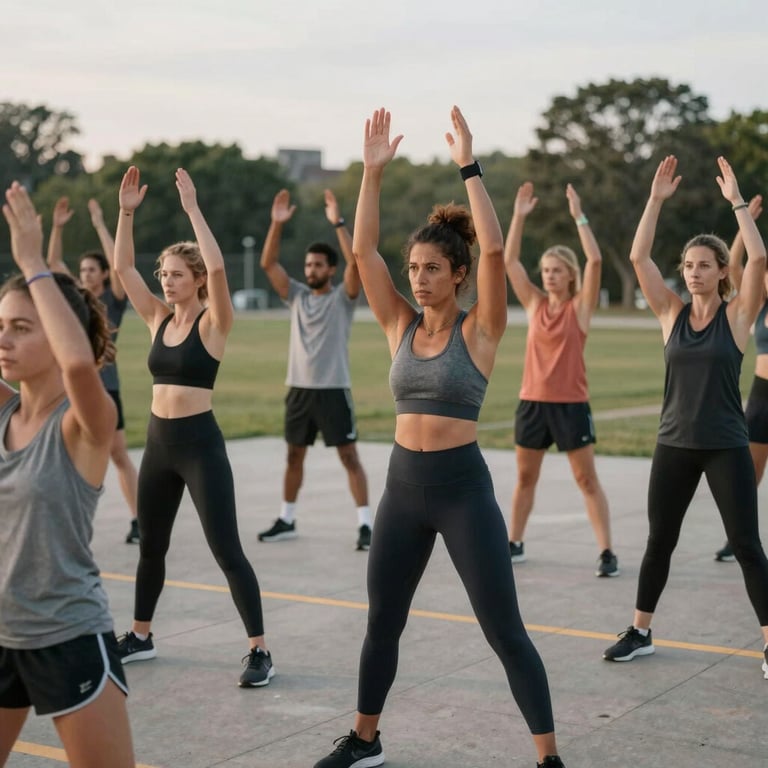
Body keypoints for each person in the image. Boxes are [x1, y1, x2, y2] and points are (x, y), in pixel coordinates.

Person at [312, 107, 565, 768]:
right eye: (414, 268)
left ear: (457, 275)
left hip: (460, 491)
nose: (419, 278)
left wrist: (468, 167)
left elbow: (493, 251)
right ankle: (365, 739)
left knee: (504, 631)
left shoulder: (480, 330)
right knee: (381, 623)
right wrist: (371, 174)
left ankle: (548, 758)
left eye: (431, 268)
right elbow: (363, 253)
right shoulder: (399, 324)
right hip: (402, 487)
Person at [603, 156, 768, 676]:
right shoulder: (670, 313)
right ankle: (641, 631)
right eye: (689, 265)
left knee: (746, 546)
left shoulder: (737, 317)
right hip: (673, 443)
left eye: (704, 265)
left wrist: (736, 203)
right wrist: (655, 200)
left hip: (725, 445)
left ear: (722, 272)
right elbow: (638, 256)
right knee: (659, 542)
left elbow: (759, 259)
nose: (694, 272)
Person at [112, 166, 274, 687]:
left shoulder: (214, 322)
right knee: (151, 546)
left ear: (197, 279)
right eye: (164, 274)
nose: (166, 281)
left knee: (226, 549)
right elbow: (122, 268)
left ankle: (259, 651)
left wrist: (193, 210)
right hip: (159, 445)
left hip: (200, 446)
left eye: (177, 274)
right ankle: (141, 636)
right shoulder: (157, 319)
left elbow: (221, 268)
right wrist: (126, 214)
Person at [0, 182, 135, 767]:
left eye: (21, 327)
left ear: (56, 335)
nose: (4, 339)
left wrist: (33, 261)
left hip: (67, 636)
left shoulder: (84, 426)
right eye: (2, 325)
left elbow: (79, 363)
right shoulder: (5, 412)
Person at [504, 182, 618, 576]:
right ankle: (514, 542)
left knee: (586, 479)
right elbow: (510, 261)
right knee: (525, 477)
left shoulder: (580, 308)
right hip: (532, 403)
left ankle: (607, 552)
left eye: (557, 271)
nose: (550, 276)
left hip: (570, 405)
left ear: (570, 275)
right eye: (546, 270)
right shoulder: (535, 304)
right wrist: (518, 217)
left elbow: (596, 260)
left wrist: (579, 216)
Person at [257, 187, 372, 550]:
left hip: (333, 390)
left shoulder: (342, 299)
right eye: (308, 265)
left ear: (331, 269)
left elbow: (358, 263)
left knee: (349, 457)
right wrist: (277, 224)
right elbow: (268, 265)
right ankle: (287, 518)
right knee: (294, 455)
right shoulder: (297, 296)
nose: (311, 270)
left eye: (318, 265)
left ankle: (366, 525)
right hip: (299, 390)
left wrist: (338, 222)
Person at [46, 195, 141, 545]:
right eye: (82, 270)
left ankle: (140, 522)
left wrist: (101, 223)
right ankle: (66, 523)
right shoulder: (75, 298)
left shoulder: (113, 300)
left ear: (102, 274)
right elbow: (53, 262)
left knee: (117, 454)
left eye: (90, 270)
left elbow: (120, 265)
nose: (85, 274)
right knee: (67, 455)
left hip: (107, 388)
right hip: (71, 389)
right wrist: (57, 228)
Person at [715, 193, 765, 562]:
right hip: (763, 397)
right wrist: (742, 225)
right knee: (749, 475)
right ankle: (738, 539)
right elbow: (733, 267)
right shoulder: (758, 307)